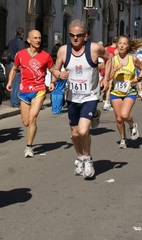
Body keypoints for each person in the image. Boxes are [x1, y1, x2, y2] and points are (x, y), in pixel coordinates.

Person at [54, 19, 112, 178]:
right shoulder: (63, 51)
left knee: (83, 130)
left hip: (90, 96)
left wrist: (106, 78)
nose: (75, 38)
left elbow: (110, 58)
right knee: (75, 134)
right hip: (72, 97)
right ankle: (79, 157)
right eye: (71, 35)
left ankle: (87, 159)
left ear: (86, 35)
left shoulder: (94, 48)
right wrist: (59, 74)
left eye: (78, 35)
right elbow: (54, 68)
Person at [6, 29, 64, 158]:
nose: (38, 40)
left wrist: (58, 75)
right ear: (29, 40)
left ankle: (29, 147)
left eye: (39, 38)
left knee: (33, 118)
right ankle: (30, 138)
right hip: (24, 91)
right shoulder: (20, 55)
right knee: (26, 122)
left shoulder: (45, 56)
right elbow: (14, 69)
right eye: (35, 38)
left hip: (39, 90)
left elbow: (52, 69)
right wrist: (10, 81)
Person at [106, 36, 142, 149]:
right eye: (120, 43)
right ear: (117, 45)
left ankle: (132, 125)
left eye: (124, 44)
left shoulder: (133, 59)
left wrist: (139, 78)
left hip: (130, 91)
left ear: (128, 46)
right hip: (116, 92)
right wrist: (115, 69)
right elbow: (107, 77)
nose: (122, 45)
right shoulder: (113, 60)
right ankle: (123, 139)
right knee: (118, 118)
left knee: (124, 115)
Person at [7, 27, 26, 108]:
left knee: (12, 82)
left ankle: (12, 101)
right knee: (17, 83)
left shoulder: (11, 41)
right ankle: (15, 102)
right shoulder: (21, 43)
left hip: (11, 63)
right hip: (17, 64)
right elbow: (22, 55)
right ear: (22, 34)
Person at [50, 40, 66, 115]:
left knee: (54, 92)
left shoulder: (51, 58)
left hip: (53, 74)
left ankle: (54, 108)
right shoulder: (62, 56)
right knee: (60, 92)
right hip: (61, 74)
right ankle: (58, 109)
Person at [103, 37, 118, 111]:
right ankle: (107, 102)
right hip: (112, 69)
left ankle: (106, 100)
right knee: (110, 86)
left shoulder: (106, 48)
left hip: (105, 68)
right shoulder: (117, 51)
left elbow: (102, 58)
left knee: (105, 85)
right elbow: (116, 61)